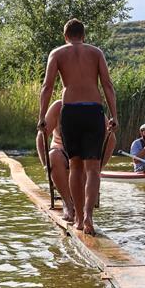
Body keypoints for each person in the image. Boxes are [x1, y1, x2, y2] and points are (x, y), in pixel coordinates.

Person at [38, 19, 118, 236]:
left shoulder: (57, 53)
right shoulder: (96, 52)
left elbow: (47, 86)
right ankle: (89, 216)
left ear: (65, 36)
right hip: (94, 110)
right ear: (83, 35)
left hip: (71, 111)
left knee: (75, 167)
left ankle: (80, 220)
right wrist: (114, 115)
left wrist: (41, 116)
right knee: (92, 169)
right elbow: (108, 85)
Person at [36, 100, 116, 223]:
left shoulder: (92, 108)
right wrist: (45, 165)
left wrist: (99, 168)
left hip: (82, 155)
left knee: (87, 162)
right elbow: (41, 136)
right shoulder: (58, 107)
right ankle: (67, 203)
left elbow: (111, 139)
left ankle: (84, 212)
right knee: (53, 156)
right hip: (61, 151)